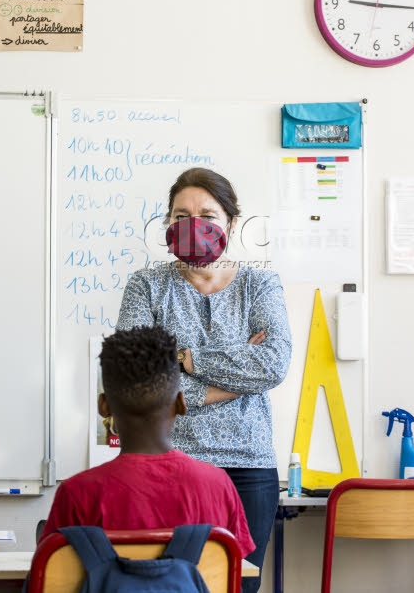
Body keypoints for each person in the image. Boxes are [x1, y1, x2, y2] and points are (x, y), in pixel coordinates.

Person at [117, 167, 292, 592]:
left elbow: (273, 364)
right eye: (180, 216)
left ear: (231, 223)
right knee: (168, 586)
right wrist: (236, 382)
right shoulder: (146, 286)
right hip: (168, 464)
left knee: (239, 584)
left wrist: (184, 358)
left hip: (248, 468)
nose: (192, 225)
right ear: (166, 225)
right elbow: (137, 380)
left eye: (207, 215)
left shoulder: (260, 284)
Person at [38, 326, 254, 559]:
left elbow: (55, 578)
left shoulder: (77, 494)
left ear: (103, 406)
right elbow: (231, 577)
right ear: (181, 403)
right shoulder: (218, 487)